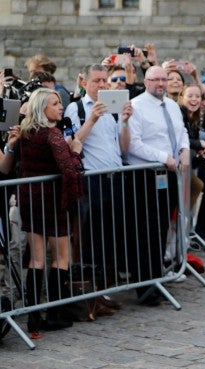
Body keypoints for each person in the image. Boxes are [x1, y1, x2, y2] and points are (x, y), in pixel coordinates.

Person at [15, 88, 85, 339]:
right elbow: (69, 169)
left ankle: (34, 317)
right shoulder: (52, 135)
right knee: (61, 258)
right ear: (42, 108)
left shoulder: (25, 132)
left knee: (36, 259)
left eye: (60, 103)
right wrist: (75, 150)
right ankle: (55, 314)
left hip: (30, 199)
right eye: (55, 104)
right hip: (53, 201)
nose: (61, 107)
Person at [64, 64, 132, 299]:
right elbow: (72, 143)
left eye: (105, 80)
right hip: (90, 180)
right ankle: (88, 291)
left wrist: (124, 121)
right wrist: (92, 119)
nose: (102, 85)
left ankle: (106, 288)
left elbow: (123, 148)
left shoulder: (113, 109)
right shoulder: (75, 108)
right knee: (89, 237)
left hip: (114, 178)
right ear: (84, 82)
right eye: (97, 81)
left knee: (112, 235)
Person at [126, 66, 190, 303]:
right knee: (146, 230)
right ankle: (145, 285)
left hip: (170, 174)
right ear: (146, 81)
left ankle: (157, 277)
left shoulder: (172, 105)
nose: (161, 84)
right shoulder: (136, 106)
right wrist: (165, 158)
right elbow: (134, 144)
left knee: (162, 226)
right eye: (156, 80)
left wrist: (185, 150)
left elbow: (181, 131)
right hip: (146, 175)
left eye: (164, 79)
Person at [178, 83, 205, 248]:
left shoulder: (193, 117)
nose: (194, 99)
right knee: (183, 204)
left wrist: (200, 152)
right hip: (175, 168)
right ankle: (180, 243)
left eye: (197, 96)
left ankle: (183, 240)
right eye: (190, 96)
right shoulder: (179, 114)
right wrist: (198, 143)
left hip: (187, 167)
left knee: (199, 187)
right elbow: (179, 140)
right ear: (182, 98)